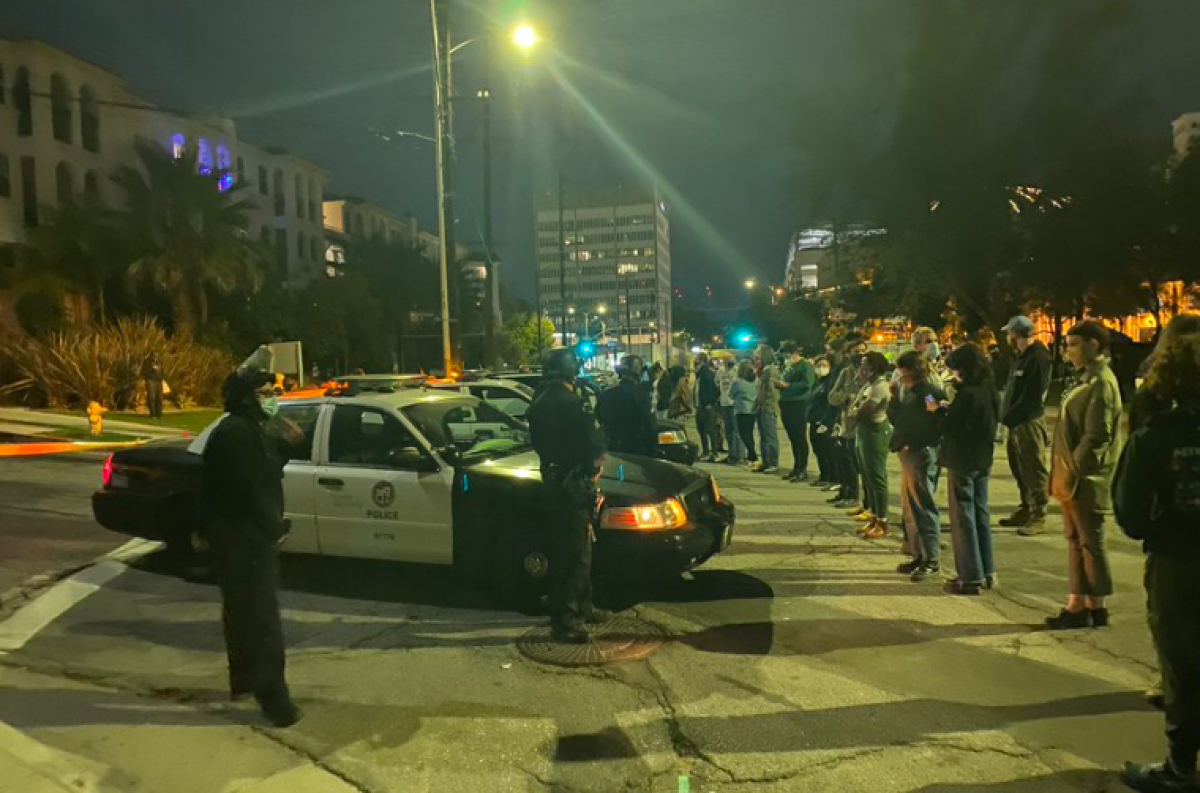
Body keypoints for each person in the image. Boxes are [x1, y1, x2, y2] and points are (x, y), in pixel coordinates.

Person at [1114, 329, 1200, 793]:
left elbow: (1130, 512)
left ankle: (1182, 766)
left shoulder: (1158, 435)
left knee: (1183, 665)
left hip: (1179, 561)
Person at [201, 346, 301, 728]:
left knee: (241, 615)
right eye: (266, 392)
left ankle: (242, 681)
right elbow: (248, 492)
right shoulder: (236, 434)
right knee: (262, 624)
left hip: (238, 541)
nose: (273, 398)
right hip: (245, 543)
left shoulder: (245, 431)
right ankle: (276, 703)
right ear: (247, 397)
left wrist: (287, 446)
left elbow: (264, 470)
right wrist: (276, 528)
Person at [527, 348, 610, 643]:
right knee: (575, 552)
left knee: (570, 548)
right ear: (570, 371)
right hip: (573, 482)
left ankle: (582, 606)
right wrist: (594, 466)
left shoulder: (539, 400)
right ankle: (567, 621)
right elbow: (592, 440)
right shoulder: (571, 402)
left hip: (553, 479)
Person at [1045, 320, 1122, 630]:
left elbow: (1098, 434)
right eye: (1067, 345)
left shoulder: (1101, 382)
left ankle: (1094, 604)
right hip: (1071, 478)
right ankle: (1080, 602)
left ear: (1094, 345)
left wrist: (1077, 466)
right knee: (1076, 540)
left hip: (1085, 479)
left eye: (1074, 344)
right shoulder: (1085, 380)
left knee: (1090, 541)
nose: (1068, 351)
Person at [935, 343, 1000, 596]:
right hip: (983, 457)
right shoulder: (988, 388)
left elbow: (954, 427)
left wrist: (940, 412)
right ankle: (987, 571)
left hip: (963, 458)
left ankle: (969, 575)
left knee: (963, 516)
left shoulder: (968, 394)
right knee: (980, 513)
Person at [888, 351, 947, 579]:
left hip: (920, 452)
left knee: (923, 505)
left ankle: (931, 558)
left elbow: (928, 420)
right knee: (912, 507)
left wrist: (911, 440)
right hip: (911, 450)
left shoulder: (927, 394)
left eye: (902, 371)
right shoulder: (911, 393)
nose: (899, 376)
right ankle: (919, 554)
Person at [998, 316, 1053, 534]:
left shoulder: (1037, 358)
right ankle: (1026, 507)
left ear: (1016, 334)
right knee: (1019, 467)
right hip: (1015, 423)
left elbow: (1032, 395)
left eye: (1009, 333)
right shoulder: (1021, 357)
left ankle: (1039, 514)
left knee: (1033, 467)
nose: (1008, 337)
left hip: (1028, 422)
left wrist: (1011, 416)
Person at [850, 352, 894, 537]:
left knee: (877, 478)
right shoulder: (869, 386)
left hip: (875, 432)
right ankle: (874, 517)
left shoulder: (880, 387)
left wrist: (853, 412)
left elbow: (862, 411)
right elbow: (854, 406)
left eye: (864, 364)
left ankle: (882, 522)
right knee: (867, 477)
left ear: (874, 367)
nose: (861, 368)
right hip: (864, 433)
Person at [828, 335, 867, 509]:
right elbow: (832, 397)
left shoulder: (871, 373)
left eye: (862, 352)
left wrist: (854, 400)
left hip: (864, 425)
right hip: (846, 424)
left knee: (860, 466)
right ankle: (847, 492)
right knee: (845, 461)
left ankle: (861, 500)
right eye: (855, 352)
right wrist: (847, 397)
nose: (859, 355)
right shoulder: (845, 373)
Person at [596, 355, 658, 457]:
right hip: (636, 450)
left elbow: (599, 419)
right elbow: (650, 427)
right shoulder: (641, 395)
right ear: (638, 372)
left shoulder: (605, 394)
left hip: (611, 449)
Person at [777, 342, 817, 482]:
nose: (785, 357)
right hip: (786, 403)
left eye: (787, 354)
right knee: (793, 437)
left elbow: (807, 384)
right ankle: (796, 467)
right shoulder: (788, 367)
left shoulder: (805, 366)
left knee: (799, 437)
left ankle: (802, 468)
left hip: (799, 403)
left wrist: (788, 386)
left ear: (795, 353)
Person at [808, 354, 838, 488]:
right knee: (818, 451)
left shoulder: (829, 383)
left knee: (827, 452)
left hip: (823, 421)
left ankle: (832, 477)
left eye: (825, 366)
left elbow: (830, 403)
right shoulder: (817, 382)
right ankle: (823, 475)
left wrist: (825, 421)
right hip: (813, 420)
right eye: (819, 366)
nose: (821, 368)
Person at [754, 344, 782, 473]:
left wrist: (768, 405)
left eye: (758, 354)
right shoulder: (763, 370)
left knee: (770, 436)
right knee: (763, 436)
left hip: (768, 408)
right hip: (761, 408)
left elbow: (773, 392)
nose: (756, 357)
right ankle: (765, 462)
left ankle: (773, 463)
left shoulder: (771, 370)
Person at [694, 353, 724, 462]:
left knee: (710, 429)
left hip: (706, 407)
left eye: (696, 360)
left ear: (702, 361)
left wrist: (709, 403)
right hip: (700, 406)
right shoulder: (700, 374)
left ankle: (713, 453)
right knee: (701, 429)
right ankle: (706, 452)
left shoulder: (706, 374)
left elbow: (715, 390)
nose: (695, 363)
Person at [716, 355, 743, 464]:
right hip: (724, 404)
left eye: (731, 360)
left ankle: (740, 456)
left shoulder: (737, 371)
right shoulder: (720, 371)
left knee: (736, 431)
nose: (728, 362)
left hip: (734, 404)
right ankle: (731, 454)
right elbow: (717, 383)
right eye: (726, 360)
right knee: (728, 431)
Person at [732, 361, 759, 467]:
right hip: (752, 410)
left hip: (741, 410)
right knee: (750, 434)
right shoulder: (756, 380)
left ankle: (752, 455)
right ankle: (751, 456)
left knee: (744, 435)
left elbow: (731, 394)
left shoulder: (737, 382)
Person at [143, 354, 164, 420]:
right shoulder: (147, 362)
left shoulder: (160, 362)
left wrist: (162, 378)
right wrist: (152, 370)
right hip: (151, 380)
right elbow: (144, 372)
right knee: (152, 397)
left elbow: (163, 370)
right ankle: (153, 414)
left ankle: (159, 414)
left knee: (159, 398)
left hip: (159, 380)